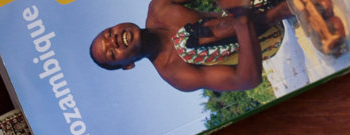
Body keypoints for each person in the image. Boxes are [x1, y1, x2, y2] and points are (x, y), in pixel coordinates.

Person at [89, 0, 293, 92]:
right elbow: (246, 80)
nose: (114, 39)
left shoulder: (159, 7)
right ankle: (285, 8)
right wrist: (242, 22)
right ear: (128, 65)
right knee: (185, 43)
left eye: (109, 33)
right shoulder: (175, 74)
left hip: (253, 6)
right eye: (112, 52)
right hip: (266, 38)